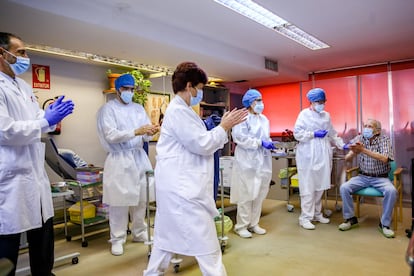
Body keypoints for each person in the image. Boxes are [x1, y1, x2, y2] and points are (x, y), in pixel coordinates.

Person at [143, 62, 247, 276]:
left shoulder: (182, 111)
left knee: (165, 240)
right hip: (183, 191)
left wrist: (216, 129)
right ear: (189, 86)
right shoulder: (178, 112)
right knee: (208, 246)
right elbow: (202, 145)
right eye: (199, 88)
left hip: (179, 188)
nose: (200, 92)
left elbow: (197, 141)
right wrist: (223, 127)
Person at [0, 32, 74, 276]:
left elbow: (36, 121)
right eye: (20, 52)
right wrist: (44, 122)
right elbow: (6, 131)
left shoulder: (22, 85)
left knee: (43, 238)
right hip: (10, 178)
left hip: (34, 173)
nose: (25, 57)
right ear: (2, 53)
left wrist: (51, 116)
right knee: (7, 242)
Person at [96, 73, 160, 256]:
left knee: (141, 197)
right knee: (119, 201)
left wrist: (150, 131)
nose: (129, 92)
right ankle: (117, 238)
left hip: (139, 157)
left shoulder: (139, 108)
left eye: (131, 89)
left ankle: (139, 232)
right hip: (119, 158)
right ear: (117, 90)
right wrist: (135, 131)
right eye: (125, 89)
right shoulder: (108, 109)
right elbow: (111, 135)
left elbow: (145, 134)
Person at [293, 87, 347, 230]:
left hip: (323, 153)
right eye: (318, 101)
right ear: (311, 102)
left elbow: (333, 134)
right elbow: (297, 134)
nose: (321, 104)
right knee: (308, 185)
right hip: (308, 154)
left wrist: (343, 145)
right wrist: (313, 134)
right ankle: (305, 217)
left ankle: (317, 213)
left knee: (321, 184)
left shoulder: (326, 116)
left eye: (323, 101)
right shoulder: (304, 114)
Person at [338, 118, 397, 238]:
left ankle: (384, 224)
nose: (366, 128)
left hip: (381, 178)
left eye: (370, 126)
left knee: (391, 191)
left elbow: (384, 158)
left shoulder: (384, 140)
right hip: (363, 176)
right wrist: (351, 153)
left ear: (377, 131)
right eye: (365, 125)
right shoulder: (360, 138)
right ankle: (350, 219)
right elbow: (350, 154)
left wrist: (363, 150)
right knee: (344, 187)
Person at [230, 89, 274, 238]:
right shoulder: (242, 118)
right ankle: (241, 226)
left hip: (263, 160)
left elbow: (265, 137)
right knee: (246, 193)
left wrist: (268, 143)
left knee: (259, 193)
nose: (261, 103)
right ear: (250, 103)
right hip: (247, 161)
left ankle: (254, 223)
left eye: (261, 100)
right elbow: (240, 138)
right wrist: (259, 142)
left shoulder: (264, 119)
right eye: (258, 100)